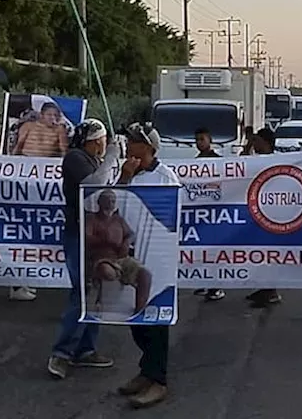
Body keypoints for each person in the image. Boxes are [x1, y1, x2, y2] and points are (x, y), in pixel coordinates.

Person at [114, 122, 181, 409]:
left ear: (149, 148)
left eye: (134, 141)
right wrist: (123, 177)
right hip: (129, 256)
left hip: (155, 260)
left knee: (155, 321)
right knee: (135, 320)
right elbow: (110, 204)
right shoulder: (128, 173)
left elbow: (172, 217)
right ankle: (146, 371)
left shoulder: (166, 177)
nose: (128, 144)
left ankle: (158, 380)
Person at [47, 119, 115, 380]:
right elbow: (93, 186)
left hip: (95, 236)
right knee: (82, 292)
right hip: (79, 234)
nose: (105, 144)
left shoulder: (91, 159)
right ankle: (62, 353)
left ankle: (85, 349)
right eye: (103, 140)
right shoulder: (75, 158)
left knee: (95, 291)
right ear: (95, 140)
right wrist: (111, 159)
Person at [85, 190, 153, 315]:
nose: (111, 202)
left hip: (121, 258)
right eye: (108, 199)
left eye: (113, 200)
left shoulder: (118, 219)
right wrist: (105, 239)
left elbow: (131, 234)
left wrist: (127, 242)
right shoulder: (91, 219)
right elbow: (86, 238)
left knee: (145, 274)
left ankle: (139, 311)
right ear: (100, 202)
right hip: (102, 258)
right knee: (107, 272)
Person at [246, 128, 283, 308]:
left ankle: (271, 291)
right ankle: (263, 288)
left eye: (257, 141)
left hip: (271, 214)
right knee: (259, 254)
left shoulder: (277, 160)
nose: (255, 145)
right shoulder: (256, 159)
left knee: (270, 254)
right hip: (257, 212)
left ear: (266, 142)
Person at [190, 129, 226, 302]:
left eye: (202, 139)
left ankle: (216, 286)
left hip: (215, 212)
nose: (199, 142)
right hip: (201, 212)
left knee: (214, 251)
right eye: (197, 139)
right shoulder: (196, 162)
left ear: (210, 140)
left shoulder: (217, 161)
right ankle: (204, 282)